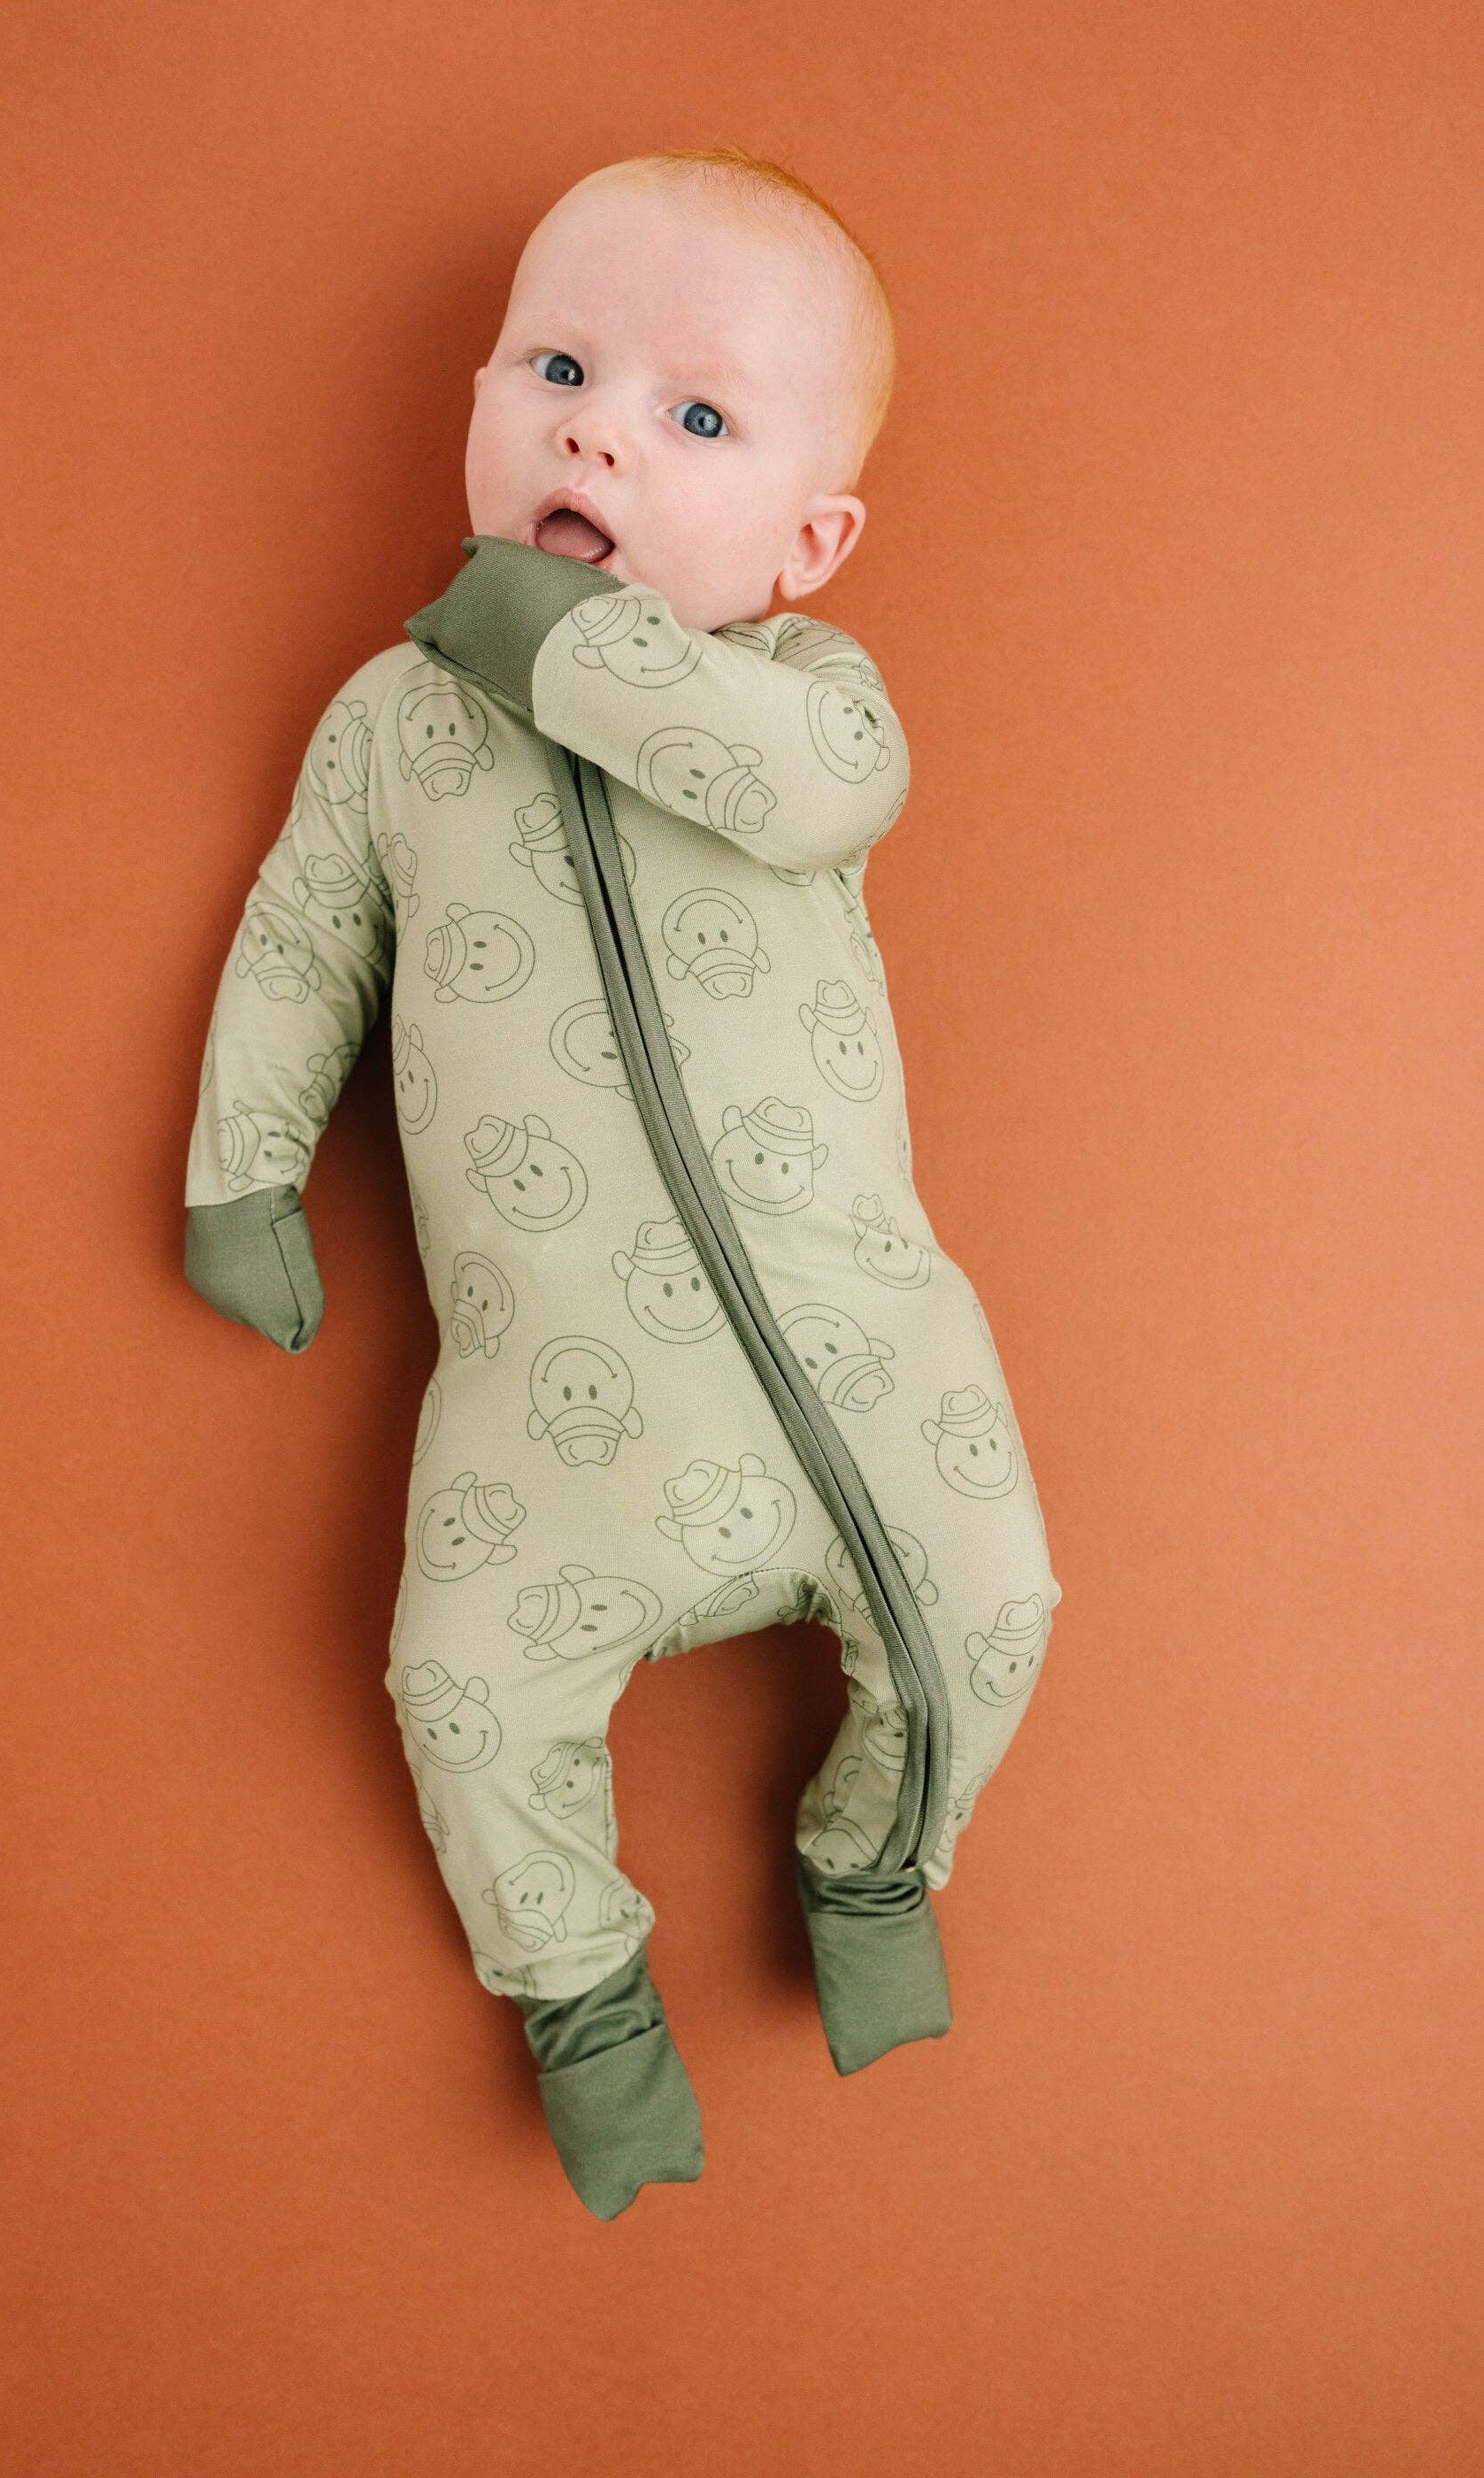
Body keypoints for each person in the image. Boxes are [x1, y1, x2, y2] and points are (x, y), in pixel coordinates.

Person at [183, 146, 1063, 2220]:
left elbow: (814, 791)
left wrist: (554, 642)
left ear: (803, 541)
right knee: (458, 1686)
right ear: (483, 398)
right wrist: (244, 1164)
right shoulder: (394, 723)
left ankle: (873, 1857)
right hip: (553, 1403)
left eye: (694, 415)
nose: (593, 430)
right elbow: (301, 938)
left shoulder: (809, 696)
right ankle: (583, 2002)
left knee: (998, 1601)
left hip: (866, 1355)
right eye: (556, 368)